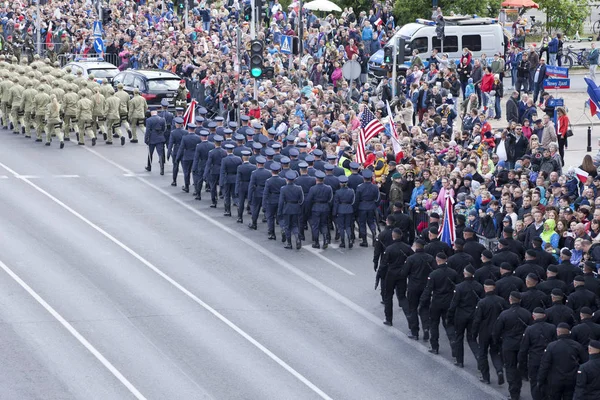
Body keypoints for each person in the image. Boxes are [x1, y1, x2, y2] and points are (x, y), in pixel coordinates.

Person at [493, 291, 532, 400]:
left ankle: (513, 393)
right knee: (520, 366)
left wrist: (497, 342)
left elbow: (497, 330)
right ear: (520, 300)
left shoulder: (504, 314)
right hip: (522, 344)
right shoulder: (527, 313)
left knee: (510, 367)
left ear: (510, 300)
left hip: (508, 344)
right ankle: (518, 388)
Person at [420, 252, 458, 355]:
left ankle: (435, 347)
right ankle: (453, 343)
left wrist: (422, 303)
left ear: (437, 261)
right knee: (449, 324)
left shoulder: (434, 274)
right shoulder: (453, 273)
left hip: (436, 302)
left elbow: (428, 290)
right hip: (449, 302)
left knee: (434, 324)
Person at [537, 323, 587, 400]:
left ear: (558, 332)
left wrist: (540, 380)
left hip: (555, 380)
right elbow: (585, 363)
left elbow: (545, 365)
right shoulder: (577, 345)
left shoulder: (551, 346)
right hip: (572, 379)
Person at [447, 264, 483, 368]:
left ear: (465, 274)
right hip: (474, 315)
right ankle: (478, 356)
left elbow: (454, 304)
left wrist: (449, 317)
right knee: (472, 339)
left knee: (459, 337)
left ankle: (460, 360)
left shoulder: (459, 287)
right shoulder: (479, 286)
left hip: (461, 315)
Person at [473, 280, 507, 385]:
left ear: (485, 288)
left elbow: (477, 320)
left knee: (482, 353)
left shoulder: (482, 302)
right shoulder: (501, 301)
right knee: (494, 352)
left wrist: (474, 333)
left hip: (484, 332)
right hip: (497, 331)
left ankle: (486, 377)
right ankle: (499, 370)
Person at [518, 307, 557, 400]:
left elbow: (524, 348)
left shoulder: (530, 329)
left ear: (533, 317)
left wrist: (521, 364)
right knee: (548, 382)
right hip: (549, 360)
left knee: (535, 383)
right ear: (544, 316)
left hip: (534, 360)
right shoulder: (552, 327)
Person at [381, 228, 409, 326]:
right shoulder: (407, 248)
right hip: (402, 274)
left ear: (393, 236)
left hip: (391, 274)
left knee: (388, 296)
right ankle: (410, 319)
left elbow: (384, 264)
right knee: (402, 297)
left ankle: (388, 319)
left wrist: (381, 275)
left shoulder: (389, 249)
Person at [305, 170, 334, 248]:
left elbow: (308, 200)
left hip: (315, 208)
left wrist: (308, 210)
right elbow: (330, 199)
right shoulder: (328, 188)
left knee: (315, 226)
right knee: (324, 225)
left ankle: (316, 242)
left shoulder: (313, 188)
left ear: (316, 179)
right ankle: (325, 240)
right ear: (323, 180)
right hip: (325, 207)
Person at [278, 170, 304, 250]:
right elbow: (302, 199)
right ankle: (297, 238)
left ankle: (289, 243)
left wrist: (279, 212)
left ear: (286, 179)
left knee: (287, 226)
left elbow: (281, 201)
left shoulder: (283, 189)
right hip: (296, 208)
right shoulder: (299, 188)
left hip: (287, 208)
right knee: (295, 225)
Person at [263, 163, 286, 241]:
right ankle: (283, 229)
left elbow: (265, 193)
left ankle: (272, 233)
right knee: (281, 217)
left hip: (271, 200)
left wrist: (264, 204)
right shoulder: (283, 180)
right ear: (279, 170)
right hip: (280, 200)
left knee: (270, 217)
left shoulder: (268, 181)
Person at [248, 156, 271, 230]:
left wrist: (249, 197)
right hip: (266, 192)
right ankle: (270, 228)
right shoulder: (268, 172)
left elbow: (251, 186)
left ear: (257, 164)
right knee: (267, 210)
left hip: (257, 192)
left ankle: (254, 223)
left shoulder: (254, 173)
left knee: (255, 209)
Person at [177, 123, 201, 193]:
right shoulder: (198, 138)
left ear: (188, 129)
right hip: (195, 157)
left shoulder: (185, 138)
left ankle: (187, 187)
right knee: (195, 173)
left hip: (186, 157)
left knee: (186, 172)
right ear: (195, 129)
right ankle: (196, 189)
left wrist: (178, 158)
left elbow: (181, 148)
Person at [333, 175, 356, 248]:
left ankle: (343, 242)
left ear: (340, 183)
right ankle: (349, 240)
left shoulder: (338, 192)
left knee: (341, 227)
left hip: (340, 209)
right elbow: (353, 201)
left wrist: (334, 212)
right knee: (348, 226)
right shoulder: (351, 191)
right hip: (349, 209)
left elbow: (336, 203)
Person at [220, 143, 242, 216]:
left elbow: (222, 172)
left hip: (227, 178)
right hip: (236, 178)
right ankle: (239, 207)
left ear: (227, 151)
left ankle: (228, 211)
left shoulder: (224, 160)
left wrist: (221, 182)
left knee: (227, 195)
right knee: (235, 195)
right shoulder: (238, 158)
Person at [235, 150, 256, 224]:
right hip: (250, 185)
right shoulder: (253, 167)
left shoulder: (240, 167)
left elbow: (238, 179)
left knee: (241, 202)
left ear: (242, 158)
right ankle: (253, 219)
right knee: (252, 202)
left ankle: (240, 217)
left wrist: (236, 190)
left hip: (242, 185)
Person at [204, 135, 226, 205]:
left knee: (213, 186)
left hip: (214, 170)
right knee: (222, 185)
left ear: (214, 143)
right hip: (222, 170)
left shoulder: (211, 152)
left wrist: (205, 174)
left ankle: (214, 201)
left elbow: (208, 164)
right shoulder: (224, 152)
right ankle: (224, 198)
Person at [144, 107, 166, 175]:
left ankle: (149, 166)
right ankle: (162, 169)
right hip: (160, 138)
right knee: (160, 154)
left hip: (152, 138)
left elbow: (147, 131)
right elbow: (164, 129)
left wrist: (146, 139)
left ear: (151, 112)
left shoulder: (149, 120)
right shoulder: (162, 119)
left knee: (150, 153)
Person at [167, 118, 186, 187]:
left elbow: (170, 143)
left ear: (176, 124)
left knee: (175, 166)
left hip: (176, 150)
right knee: (185, 168)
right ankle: (186, 182)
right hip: (184, 151)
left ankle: (174, 181)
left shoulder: (173, 132)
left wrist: (168, 153)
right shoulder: (185, 132)